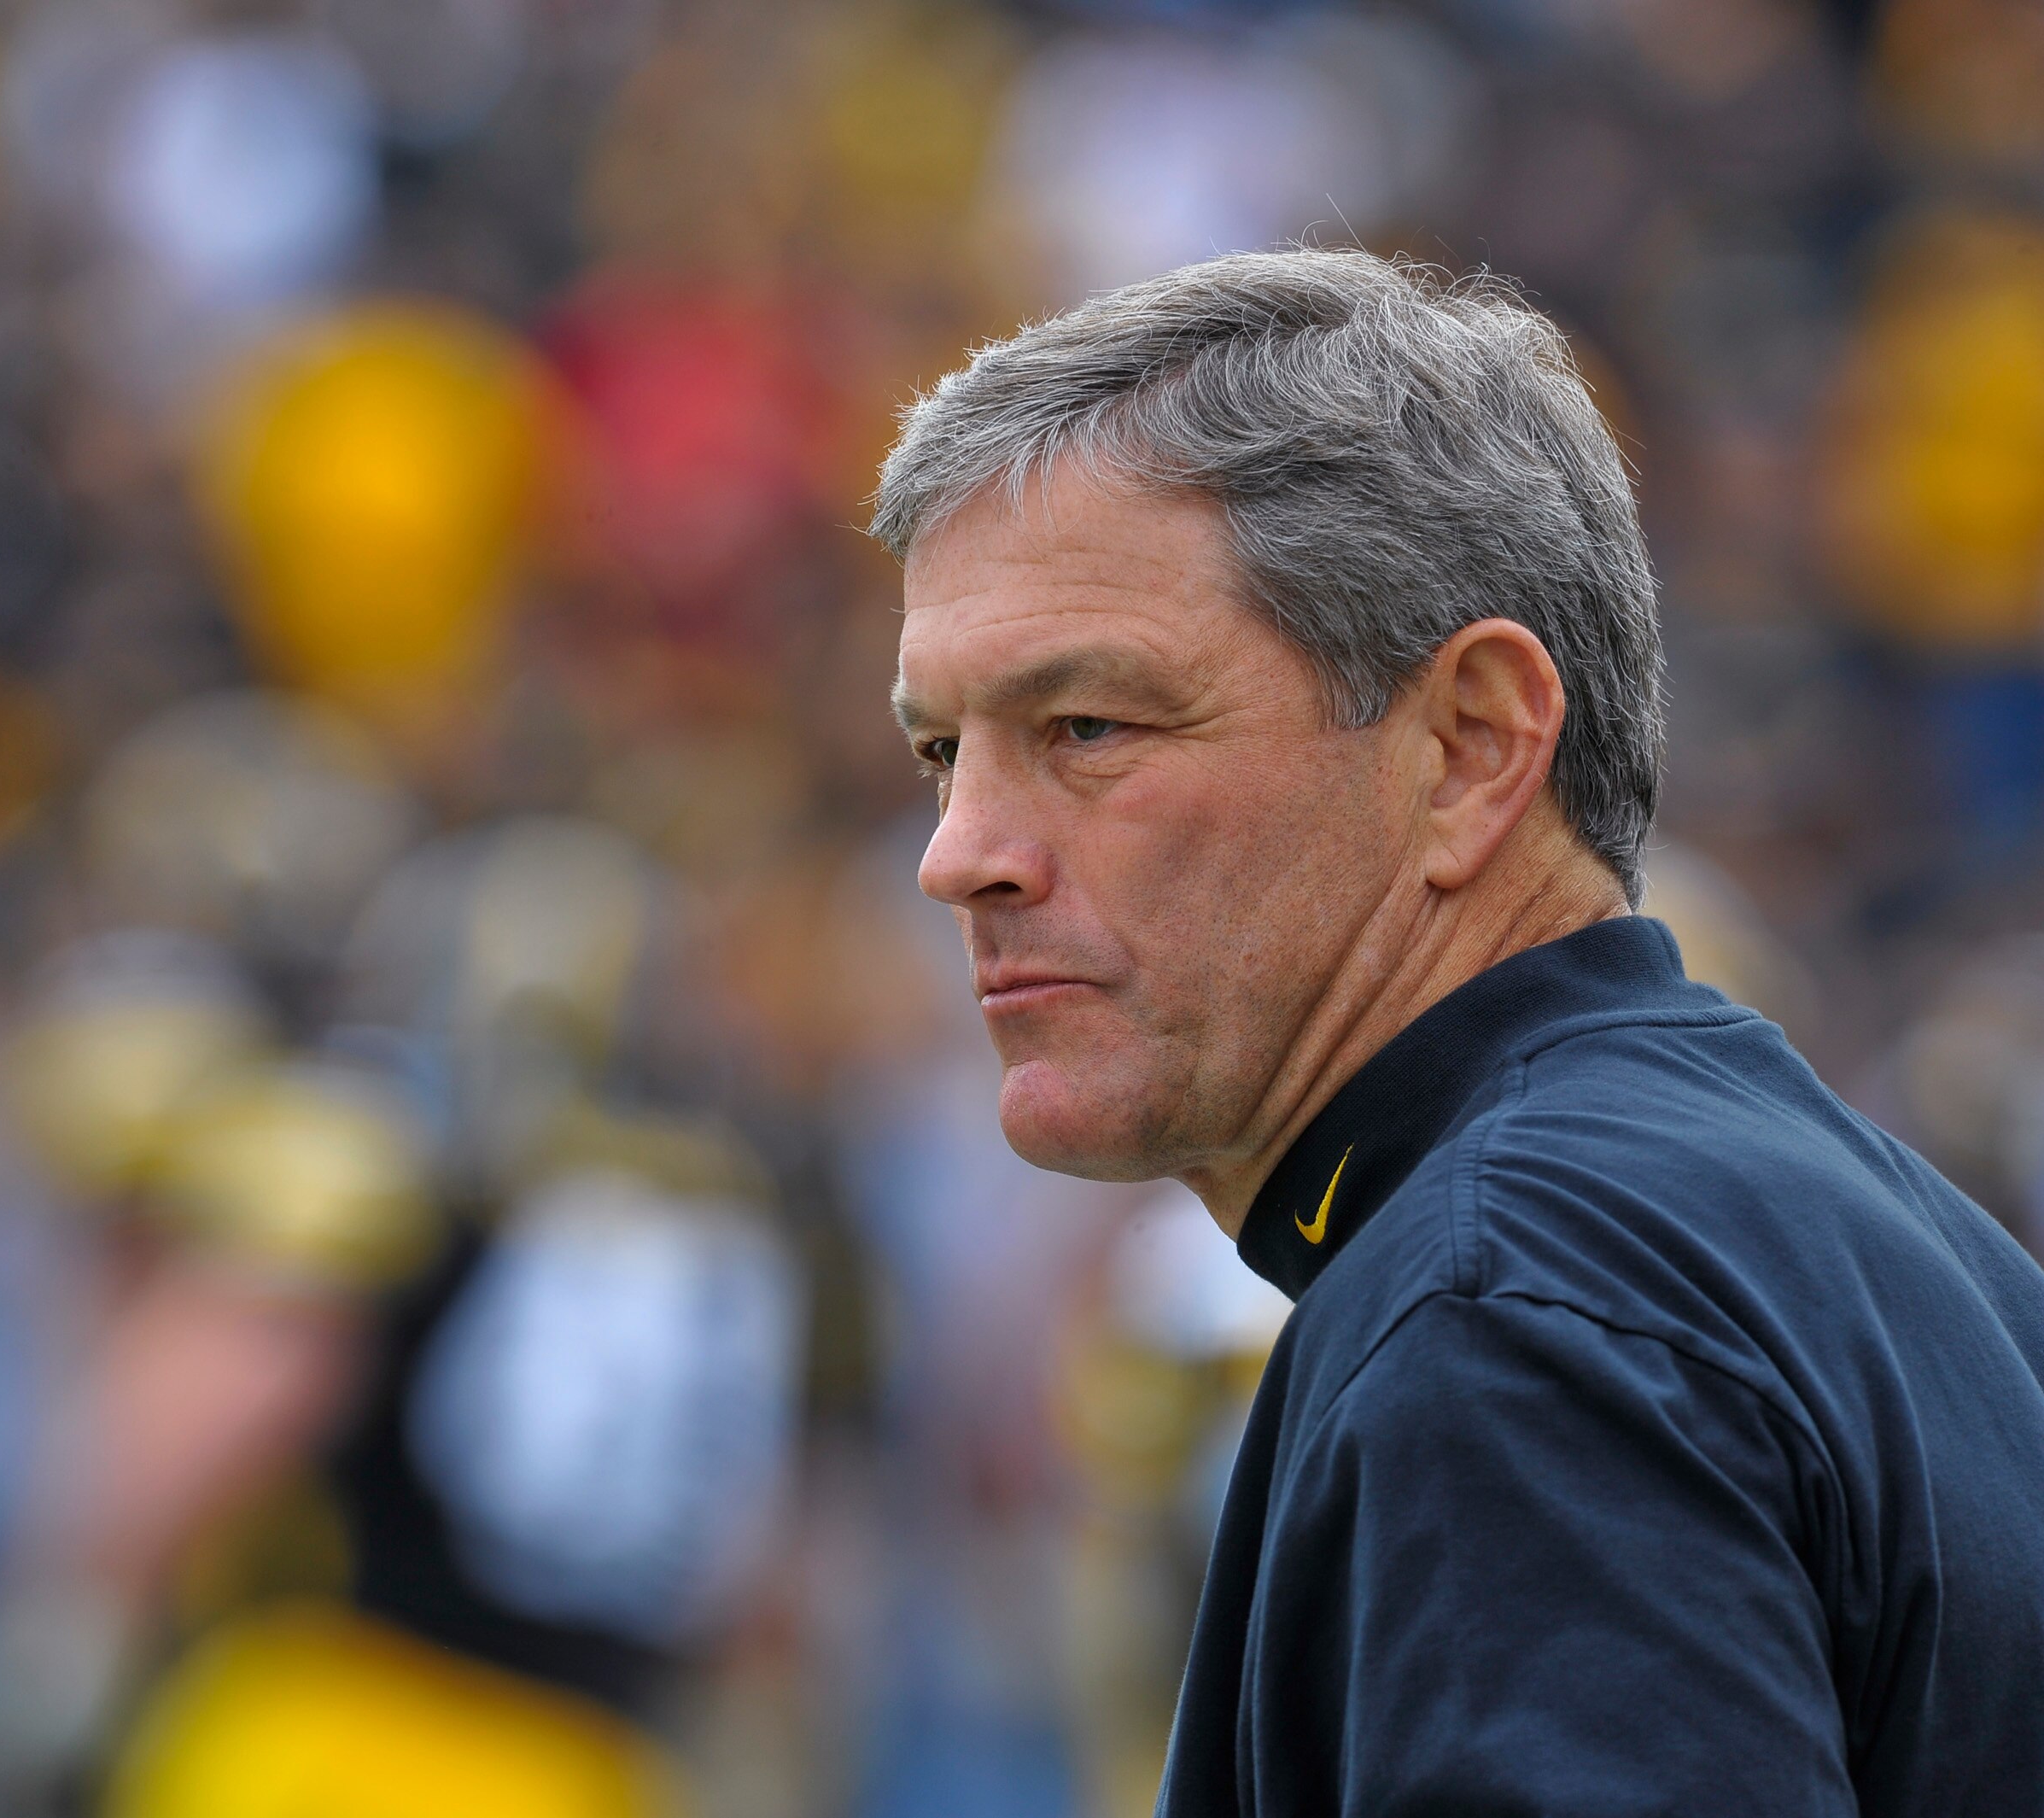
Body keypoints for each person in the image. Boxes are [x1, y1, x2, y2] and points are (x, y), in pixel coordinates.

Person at [876, 246, 2044, 1816]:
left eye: (1088, 726)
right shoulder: (1878, 1245)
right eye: (946, 749)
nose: (960, 851)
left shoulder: (1513, 1307)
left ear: (1474, 744)